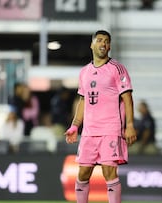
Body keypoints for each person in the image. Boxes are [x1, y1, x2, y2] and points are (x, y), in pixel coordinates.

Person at [64, 30, 136, 203]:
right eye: (100, 40)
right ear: (92, 44)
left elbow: (127, 97)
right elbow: (83, 100)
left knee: (109, 173)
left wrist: (130, 125)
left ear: (109, 46)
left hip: (110, 129)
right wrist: (75, 125)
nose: (103, 44)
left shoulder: (117, 68)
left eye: (106, 41)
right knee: (82, 174)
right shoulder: (84, 72)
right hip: (89, 132)